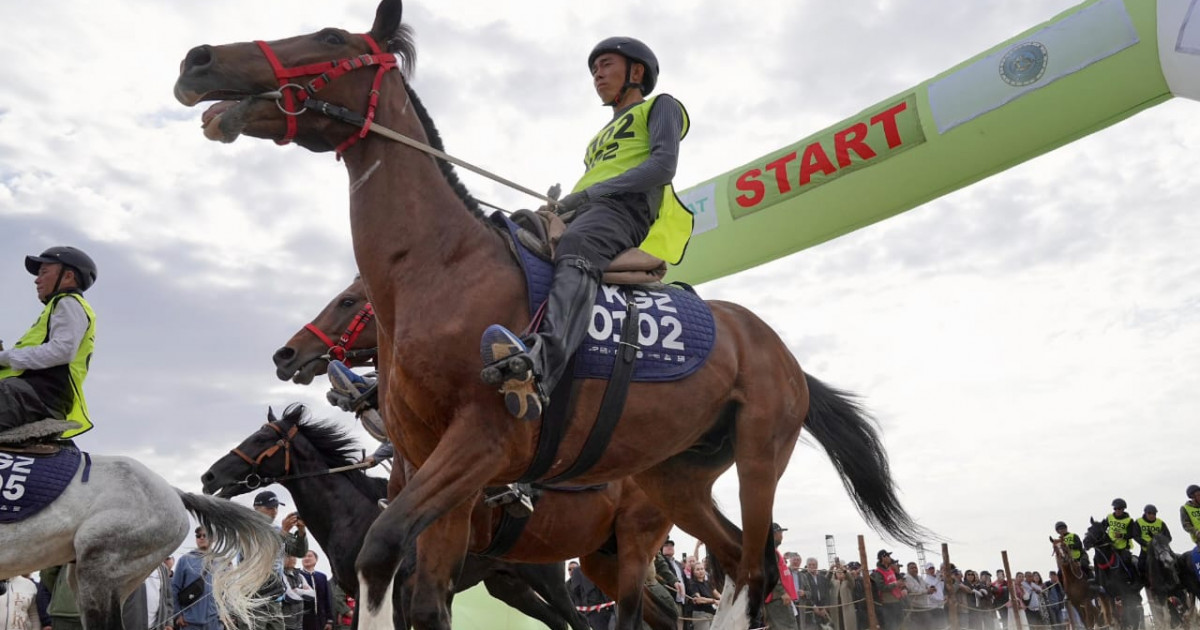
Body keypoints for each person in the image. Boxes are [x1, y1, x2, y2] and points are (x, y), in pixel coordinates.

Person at [479, 36, 692, 422]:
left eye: (606, 64)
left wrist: (589, 194)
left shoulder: (661, 107)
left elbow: (663, 167)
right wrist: (560, 206)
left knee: (576, 243)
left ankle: (541, 367)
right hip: (587, 208)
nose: (597, 74)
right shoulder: (596, 139)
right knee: (507, 234)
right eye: (594, 69)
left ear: (636, 72)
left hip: (625, 210)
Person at [0, 247, 98, 438]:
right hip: (31, 395)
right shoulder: (59, 307)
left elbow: (62, 350)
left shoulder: (69, 302)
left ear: (68, 276)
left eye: (44, 272)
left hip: (35, 396)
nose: (37, 279)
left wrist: (5, 357)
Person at [250, 490, 309, 630]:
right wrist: (283, 532)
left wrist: (301, 531)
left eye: (276, 507)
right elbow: (261, 555)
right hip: (253, 598)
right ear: (256, 508)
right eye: (270, 508)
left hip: (274, 598)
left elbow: (299, 552)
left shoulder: (277, 529)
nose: (274, 511)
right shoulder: (248, 528)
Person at [173, 526, 222, 630]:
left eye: (205, 535)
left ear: (213, 538)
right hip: (189, 623)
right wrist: (178, 615)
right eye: (198, 536)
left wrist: (223, 616)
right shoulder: (185, 560)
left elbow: (226, 591)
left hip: (214, 622)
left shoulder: (221, 562)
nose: (201, 538)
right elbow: (174, 588)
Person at [763, 524, 800, 630]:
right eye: (781, 533)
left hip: (778, 598)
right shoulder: (769, 552)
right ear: (774, 534)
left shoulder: (772, 552)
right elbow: (770, 573)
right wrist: (782, 592)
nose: (782, 536)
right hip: (778, 599)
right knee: (787, 627)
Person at [567, 563, 613, 630]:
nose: (572, 571)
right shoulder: (567, 586)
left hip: (601, 609)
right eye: (569, 569)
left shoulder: (596, 571)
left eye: (573, 568)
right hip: (587, 613)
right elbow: (576, 597)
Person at [1105, 498, 1141, 581]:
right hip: (1110, 546)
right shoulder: (1109, 517)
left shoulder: (1129, 520)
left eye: (1119, 509)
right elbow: (1103, 528)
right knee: (1100, 558)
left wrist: (1121, 535)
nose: (1117, 510)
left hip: (1123, 547)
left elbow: (1132, 534)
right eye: (1115, 508)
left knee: (1126, 560)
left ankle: (1131, 578)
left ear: (1123, 509)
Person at [870, 551, 906, 630]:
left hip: (897, 600)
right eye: (888, 556)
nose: (890, 558)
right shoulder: (878, 572)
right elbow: (881, 587)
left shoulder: (890, 570)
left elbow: (898, 581)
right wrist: (895, 584)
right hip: (888, 603)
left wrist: (902, 586)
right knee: (891, 625)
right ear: (883, 558)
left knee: (900, 623)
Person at [299, 551, 334, 630]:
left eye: (309, 556)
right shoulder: (297, 576)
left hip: (320, 619)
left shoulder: (322, 577)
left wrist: (329, 620)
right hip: (302, 619)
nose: (306, 558)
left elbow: (327, 599)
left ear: (316, 559)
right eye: (304, 556)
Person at [659, 539, 689, 630]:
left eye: (671, 545)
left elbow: (685, 582)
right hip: (667, 601)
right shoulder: (660, 563)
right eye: (666, 545)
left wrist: (692, 596)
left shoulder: (679, 564)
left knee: (680, 626)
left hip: (681, 601)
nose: (670, 547)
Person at [1135, 504, 1171, 577]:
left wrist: (1161, 542)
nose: (1152, 515)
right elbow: (1136, 536)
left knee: (1174, 562)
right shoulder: (1138, 522)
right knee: (1141, 566)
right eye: (1149, 513)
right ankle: (1145, 582)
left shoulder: (1160, 523)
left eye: (1154, 514)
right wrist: (1146, 543)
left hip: (1161, 550)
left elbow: (1168, 537)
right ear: (1145, 513)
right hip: (1146, 550)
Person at [798, 557, 832, 630]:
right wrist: (813, 606)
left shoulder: (822, 578)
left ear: (817, 565)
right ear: (807, 566)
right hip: (810, 609)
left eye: (814, 565)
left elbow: (827, 593)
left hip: (824, 609)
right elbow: (805, 594)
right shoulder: (804, 578)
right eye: (810, 565)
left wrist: (825, 607)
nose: (812, 567)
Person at [281, 556, 314, 630]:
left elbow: (312, 594)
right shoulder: (281, 575)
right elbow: (289, 596)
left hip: (299, 620)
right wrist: (304, 593)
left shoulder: (300, 576)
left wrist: (297, 590)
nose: (293, 559)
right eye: (289, 557)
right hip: (285, 621)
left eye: (294, 557)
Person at [687, 562, 720, 630]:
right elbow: (698, 599)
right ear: (693, 572)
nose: (700, 571)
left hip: (712, 614)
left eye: (702, 569)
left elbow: (717, 594)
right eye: (698, 569)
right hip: (701, 615)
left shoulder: (708, 583)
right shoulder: (693, 584)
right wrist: (714, 601)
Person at [902, 562, 931, 630]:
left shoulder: (920, 577)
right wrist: (927, 591)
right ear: (908, 570)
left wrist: (931, 588)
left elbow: (927, 584)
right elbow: (915, 590)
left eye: (915, 567)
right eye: (912, 568)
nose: (914, 569)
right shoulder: (906, 578)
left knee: (928, 625)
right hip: (915, 607)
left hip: (924, 606)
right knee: (918, 626)